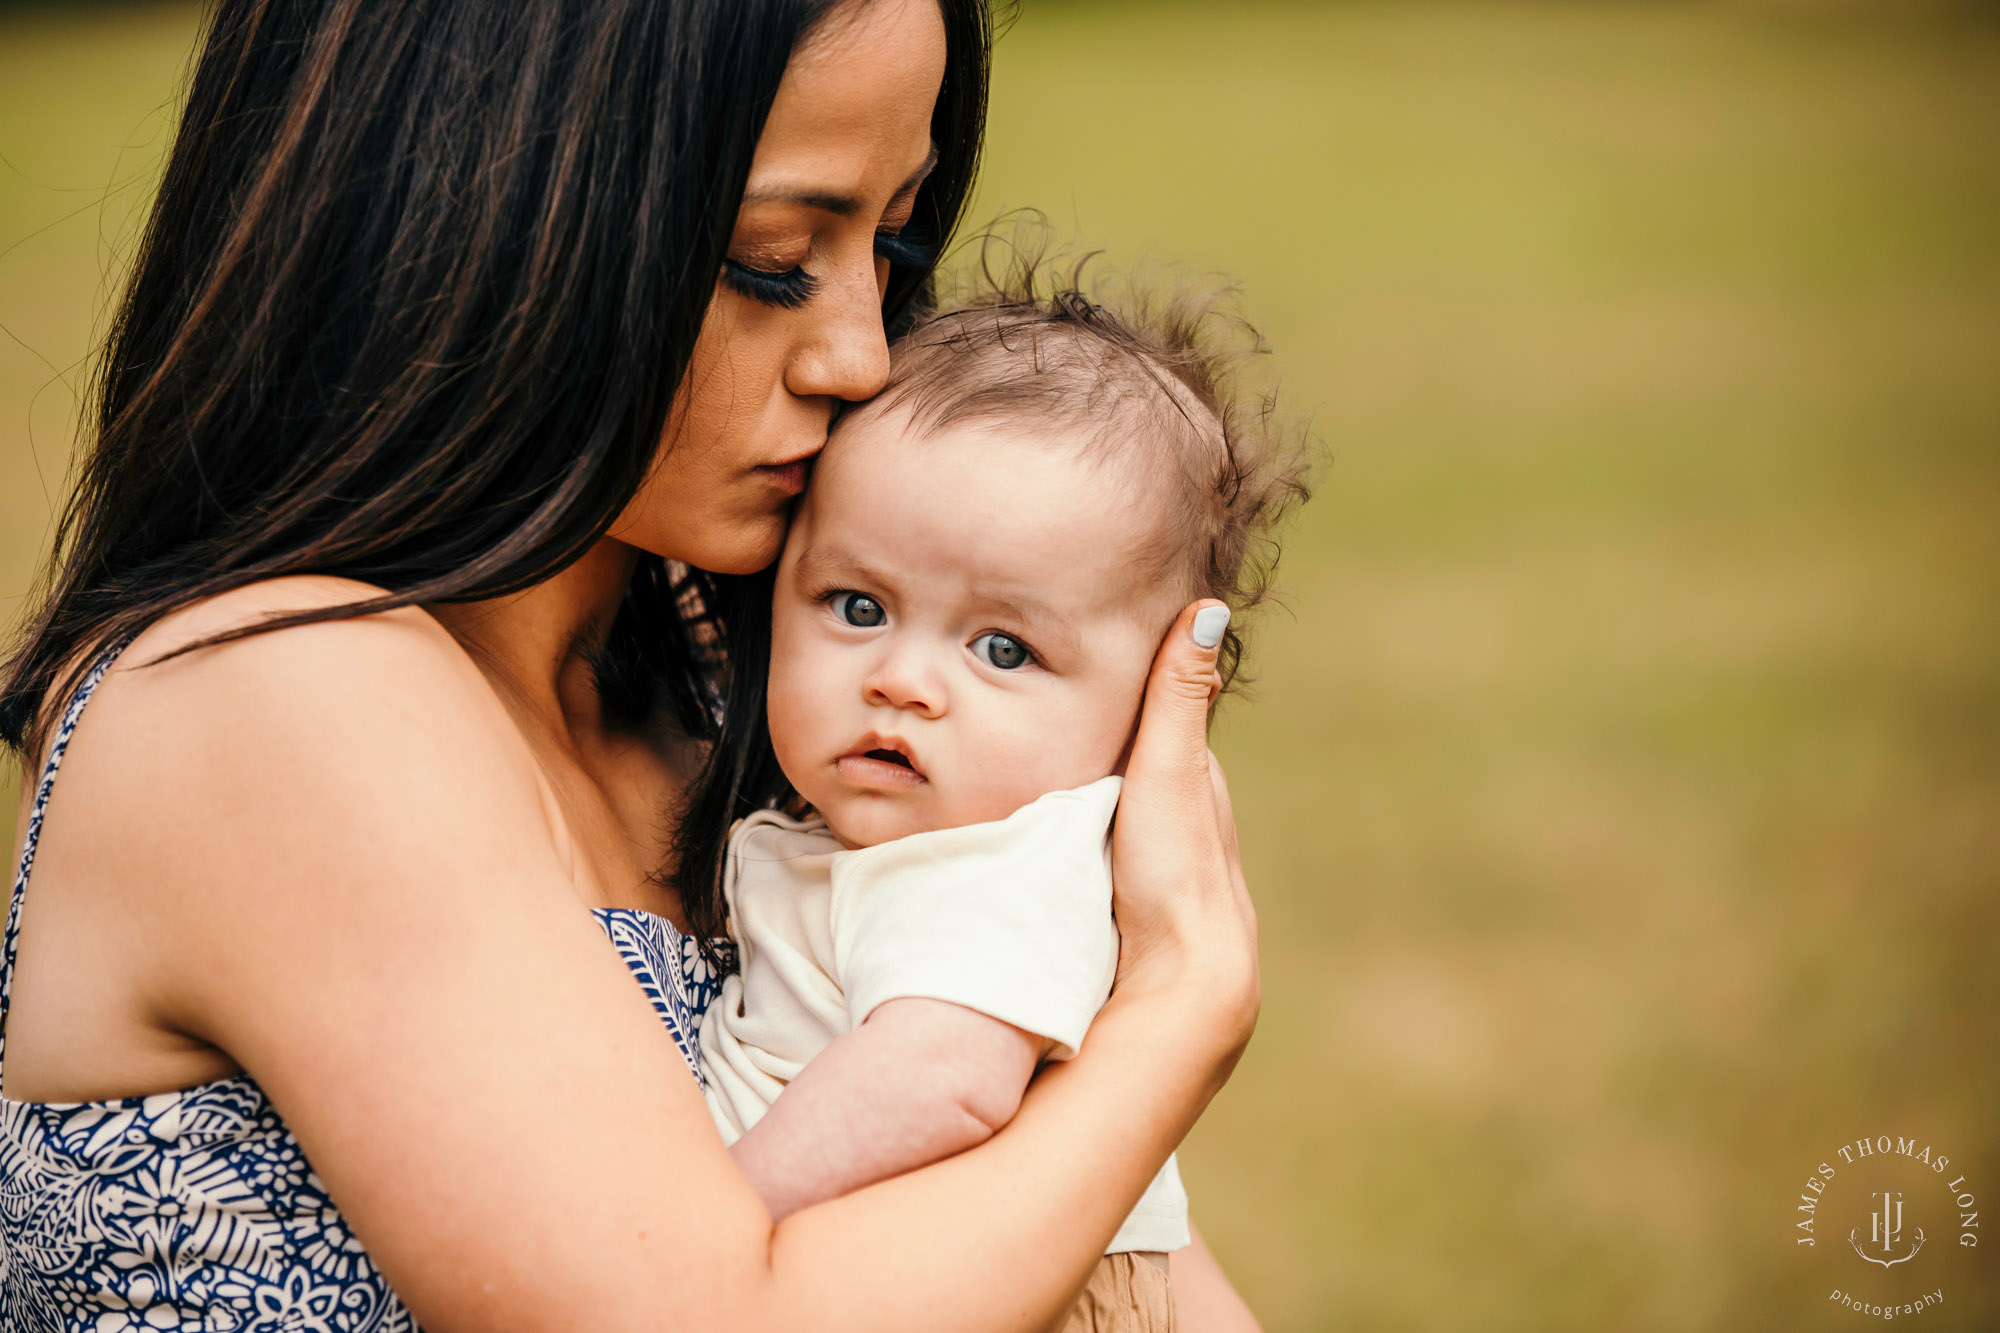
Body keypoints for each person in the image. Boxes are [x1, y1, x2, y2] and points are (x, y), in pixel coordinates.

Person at [0, 1, 1261, 1331]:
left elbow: (1122, 1250)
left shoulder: (741, 703)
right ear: (484, 215)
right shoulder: (272, 696)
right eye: (776, 258)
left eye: (891, 242)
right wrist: (1180, 1011)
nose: (861, 352)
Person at [687, 270, 1310, 1333]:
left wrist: (713, 1218)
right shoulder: (899, 833)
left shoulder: (998, 865)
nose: (902, 679)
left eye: (1001, 648)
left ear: (1149, 706)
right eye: (855, 603)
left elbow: (947, 1079)